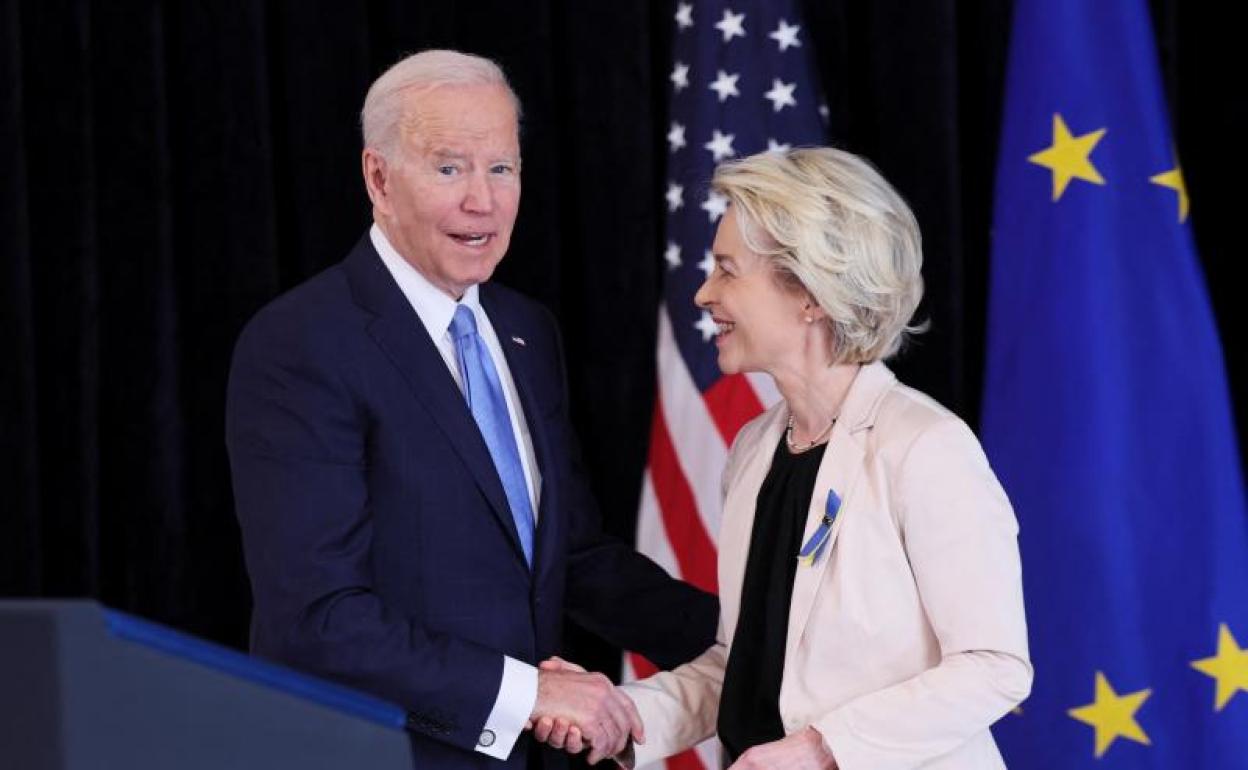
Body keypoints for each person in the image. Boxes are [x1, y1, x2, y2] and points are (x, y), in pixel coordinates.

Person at [225, 49, 716, 769]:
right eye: (450, 168)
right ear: (379, 179)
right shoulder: (302, 343)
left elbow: (569, 555)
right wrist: (527, 694)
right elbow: (317, 619)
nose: (482, 201)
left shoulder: (525, 330)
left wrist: (755, 640)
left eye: (502, 168)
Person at [538, 147, 1031, 768]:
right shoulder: (755, 449)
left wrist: (823, 750)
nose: (703, 294)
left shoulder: (926, 447)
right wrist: (624, 715)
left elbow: (994, 666)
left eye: (727, 271)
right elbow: (745, 664)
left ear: (809, 294)